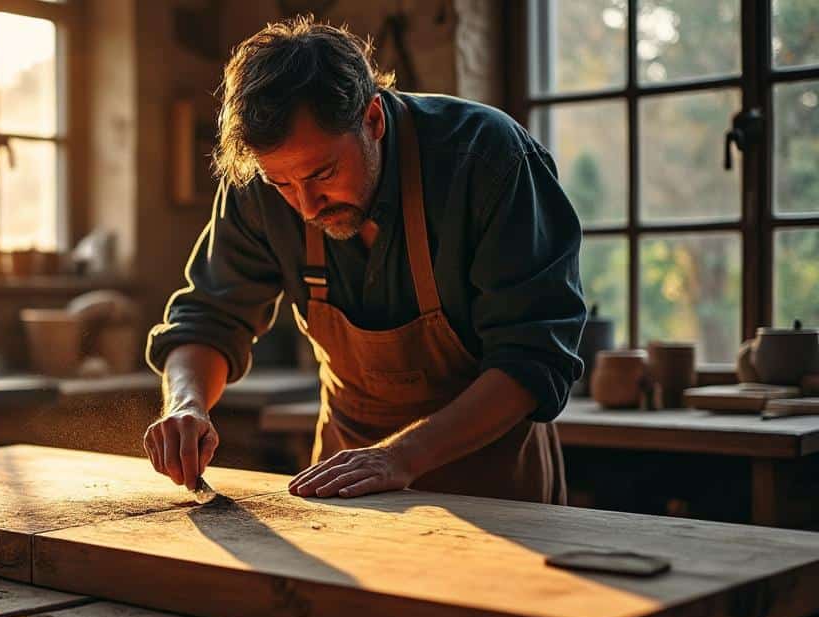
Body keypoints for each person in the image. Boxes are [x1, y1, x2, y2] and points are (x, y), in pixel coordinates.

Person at [142, 17, 586, 504]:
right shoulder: (259, 179)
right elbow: (208, 318)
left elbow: (533, 357)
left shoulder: (485, 159)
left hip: (492, 482)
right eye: (282, 185)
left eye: (323, 173)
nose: (307, 206)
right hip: (344, 482)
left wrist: (400, 458)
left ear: (372, 119)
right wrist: (186, 405)